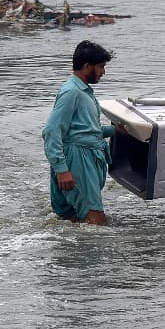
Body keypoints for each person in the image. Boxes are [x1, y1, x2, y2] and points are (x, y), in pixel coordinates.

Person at [42, 41, 122, 225]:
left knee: (73, 220)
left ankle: (70, 254)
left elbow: (84, 131)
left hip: (80, 156)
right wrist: (62, 170)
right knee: (96, 220)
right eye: (101, 66)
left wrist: (115, 131)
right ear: (87, 66)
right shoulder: (71, 92)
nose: (103, 72)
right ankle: (92, 255)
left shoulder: (84, 91)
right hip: (78, 160)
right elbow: (51, 132)